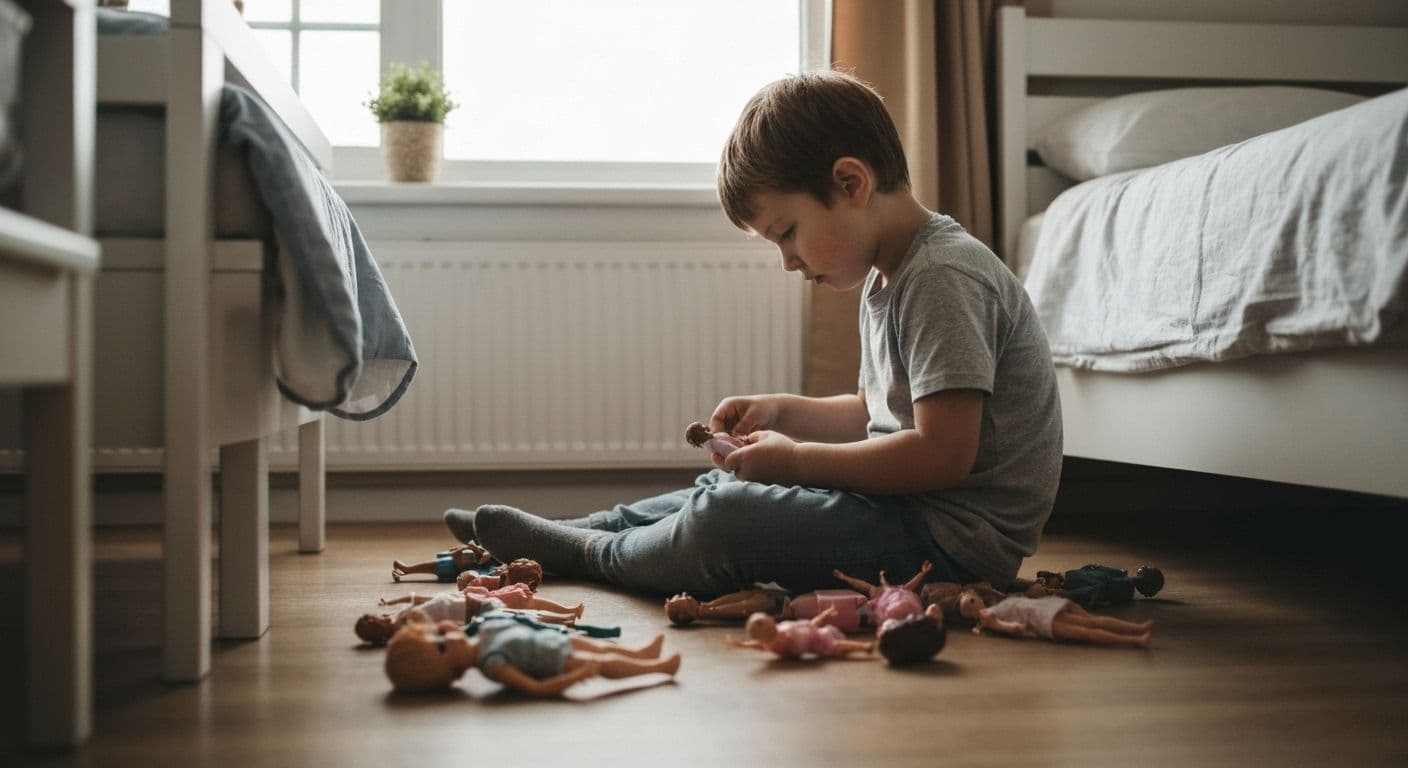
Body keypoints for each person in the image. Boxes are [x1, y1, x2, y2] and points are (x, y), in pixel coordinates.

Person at [446, 70, 1061, 597]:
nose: (788, 261)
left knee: (726, 516)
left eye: (786, 232)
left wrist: (794, 464)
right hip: (904, 513)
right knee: (718, 486)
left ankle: (589, 554)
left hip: (947, 541)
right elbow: (876, 415)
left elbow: (941, 453)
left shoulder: (942, 276)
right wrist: (781, 412)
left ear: (851, 184)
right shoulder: (893, 276)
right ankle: (582, 527)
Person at [383, 610, 680, 696]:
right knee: (603, 661)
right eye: (441, 643)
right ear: (452, 672)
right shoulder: (493, 664)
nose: (445, 629)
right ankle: (655, 670)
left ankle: (642, 654)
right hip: (557, 659)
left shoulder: (480, 634)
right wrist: (575, 676)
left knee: (602, 646)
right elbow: (535, 687)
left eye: (436, 631)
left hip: (557, 639)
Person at [958, 590, 1153, 648]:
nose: (974, 605)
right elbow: (1001, 625)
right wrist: (1015, 627)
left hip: (1043, 609)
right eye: (969, 606)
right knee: (1087, 632)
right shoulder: (987, 616)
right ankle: (1133, 639)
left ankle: (1136, 629)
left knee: (1093, 622)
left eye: (972, 600)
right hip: (1042, 621)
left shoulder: (995, 604)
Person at [726, 607, 874, 660]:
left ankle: (861, 647)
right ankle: (863, 647)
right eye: (763, 621)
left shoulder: (782, 628)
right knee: (838, 646)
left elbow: (810, 624)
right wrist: (742, 645)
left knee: (838, 644)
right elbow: (758, 645)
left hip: (818, 633)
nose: (770, 618)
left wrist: (824, 614)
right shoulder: (774, 643)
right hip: (818, 644)